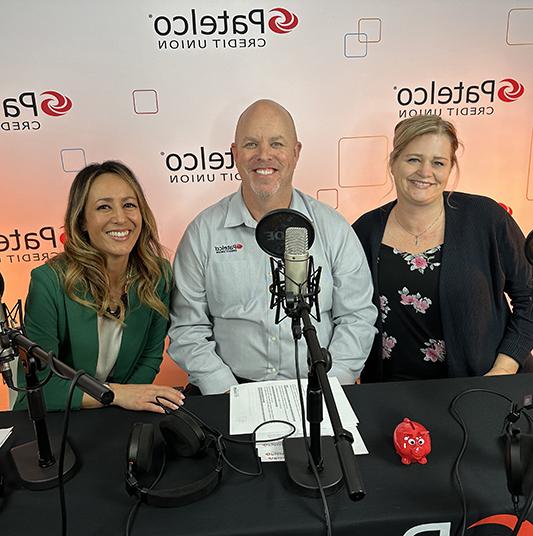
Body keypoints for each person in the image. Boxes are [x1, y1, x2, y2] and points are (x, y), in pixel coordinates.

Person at [168, 99, 377, 394]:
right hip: (231, 390)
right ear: (235, 153)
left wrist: (331, 385)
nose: (264, 155)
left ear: (296, 153)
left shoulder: (333, 228)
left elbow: (357, 317)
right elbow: (188, 328)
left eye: (277, 144)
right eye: (251, 144)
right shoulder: (203, 233)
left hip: (318, 387)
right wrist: (228, 393)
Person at [352, 114, 533, 382]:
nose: (425, 172)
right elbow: (348, 313)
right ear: (393, 162)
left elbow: (529, 297)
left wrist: (503, 370)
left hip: (483, 385)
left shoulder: (486, 218)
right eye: (413, 159)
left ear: (450, 168)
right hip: (389, 393)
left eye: (438, 162)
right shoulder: (364, 231)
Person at [14, 161, 185, 412]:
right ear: (82, 220)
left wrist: (125, 404)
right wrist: (116, 395)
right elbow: (38, 387)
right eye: (104, 207)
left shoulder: (157, 274)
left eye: (129, 205)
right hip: (62, 419)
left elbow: (150, 358)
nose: (120, 218)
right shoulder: (48, 282)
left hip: (120, 415)